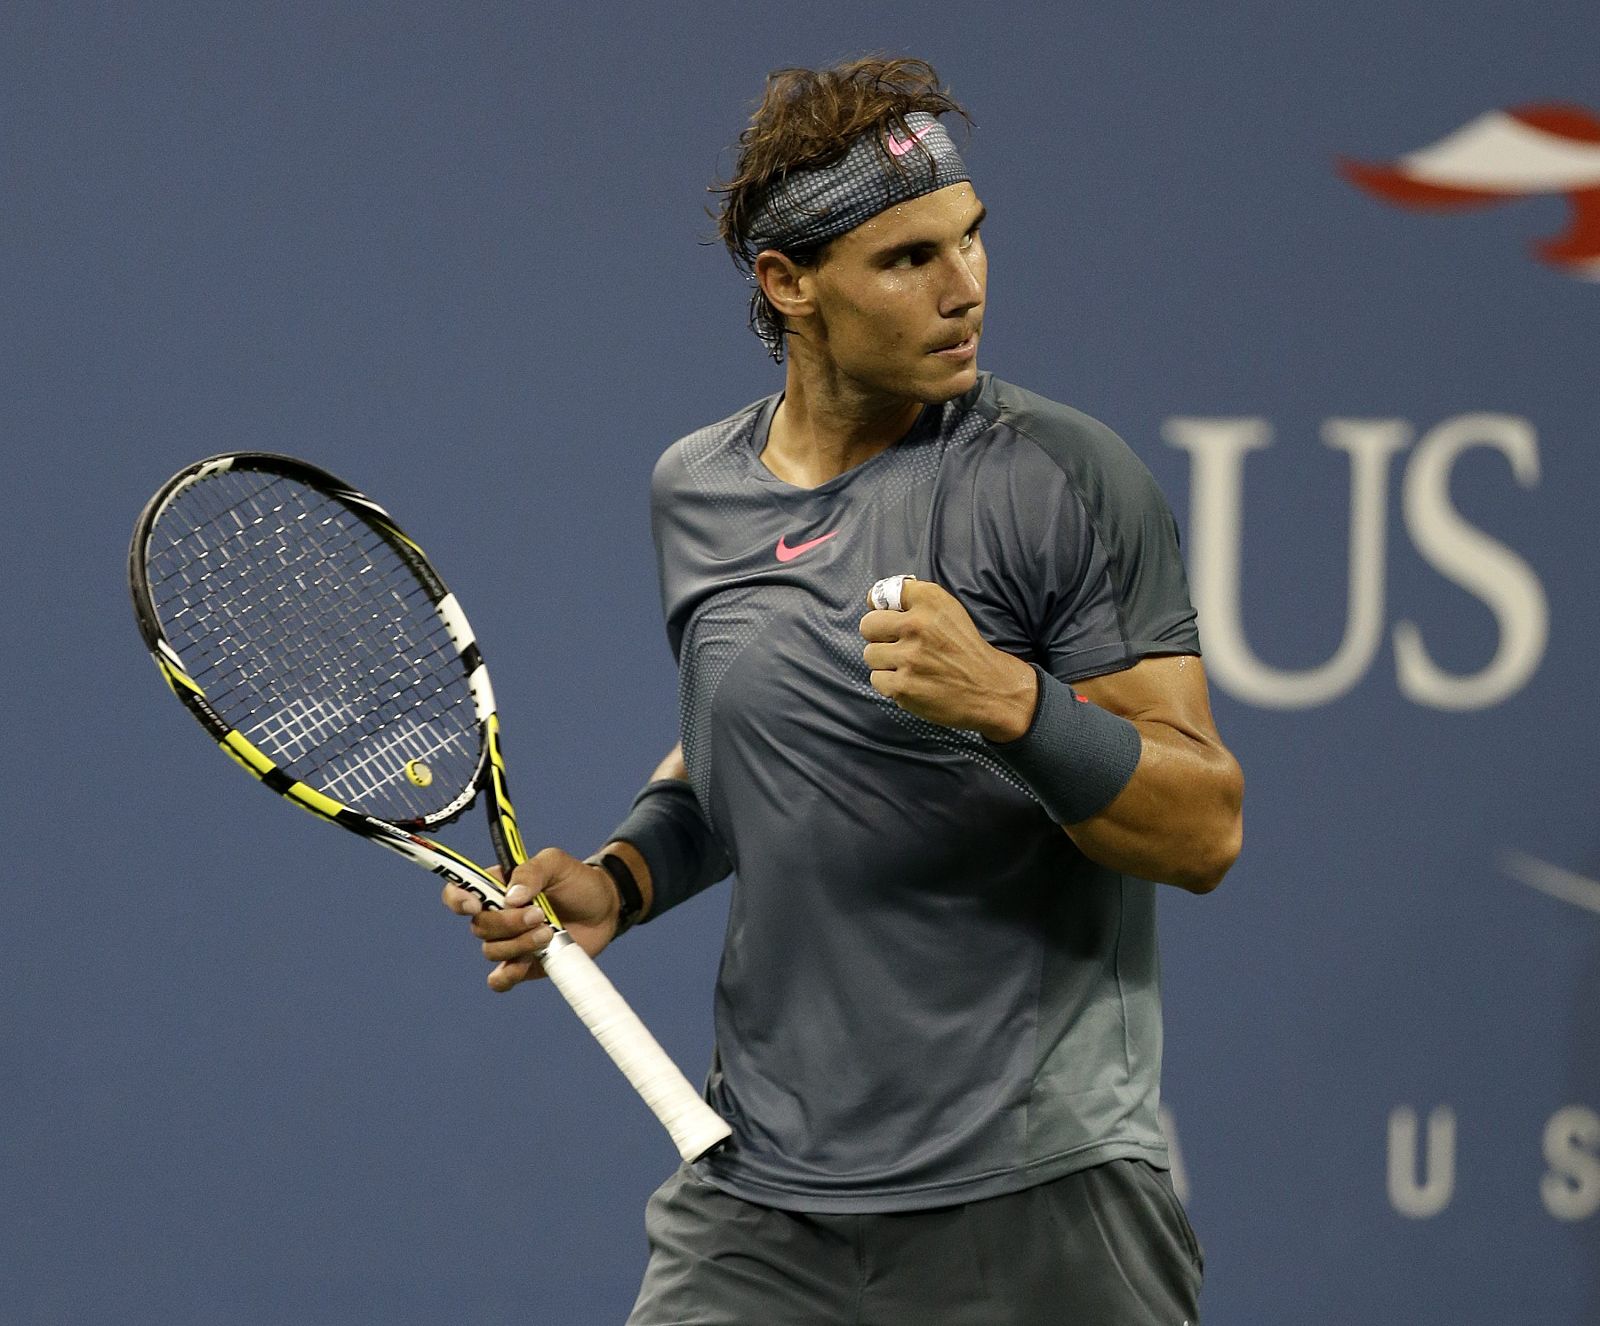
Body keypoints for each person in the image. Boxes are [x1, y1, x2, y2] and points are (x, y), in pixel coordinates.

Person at [443, 55, 1243, 1326]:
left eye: (972, 240)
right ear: (787, 284)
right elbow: (734, 758)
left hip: (1035, 1197)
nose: (964, 286)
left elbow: (1203, 830)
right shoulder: (693, 490)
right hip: (763, 1205)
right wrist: (620, 880)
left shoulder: (1061, 477)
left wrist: (1009, 703)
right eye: (907, 259)